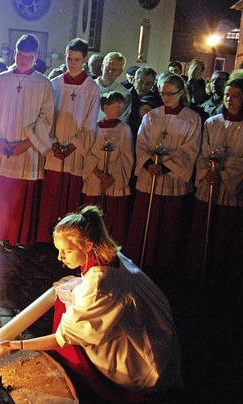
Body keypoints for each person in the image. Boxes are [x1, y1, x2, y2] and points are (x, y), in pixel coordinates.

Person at [0, 205, 182, 401]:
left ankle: (82, 383)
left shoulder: (99, 284)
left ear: (87, 245)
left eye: (67, 251)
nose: (59, 257)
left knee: (69, 319)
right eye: (59, 250)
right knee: (67, 295)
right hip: (163, 347)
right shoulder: (111, 255)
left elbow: (61, 339)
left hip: (145, 365)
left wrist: (15, 345)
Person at [0, 34, 53, 251]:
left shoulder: (44, 84)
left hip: (26, 150)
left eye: (29, 57)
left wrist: (27, 144)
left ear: (36, 57)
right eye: (21, 55)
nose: (24, 60)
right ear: (15, 53)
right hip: (1, 147)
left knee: (19, 197)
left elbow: (46, 118)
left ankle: (16, 237)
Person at [124, 74, 201, 281]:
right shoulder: (152, 116)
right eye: (163, 93)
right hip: (150, 176)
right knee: (145, 219)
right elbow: (141, 142)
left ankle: (164, 263)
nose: (166, 97)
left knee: (169, 222)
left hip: (172, 178)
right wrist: (149, 164)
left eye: (170, 93)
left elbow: (190, 148)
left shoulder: (191, 118)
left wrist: (166, 167)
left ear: (181, 93)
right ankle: (141, 258)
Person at [37, 37, 99, 244]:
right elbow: (46, 117)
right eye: (69, 58)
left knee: (70, 197)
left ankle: (69, 242)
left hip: (74, 151)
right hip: (54, 150)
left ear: (85, 59)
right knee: (50, 195)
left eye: (76, 59)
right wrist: (53, 143)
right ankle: (46, 238)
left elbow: (90, 123)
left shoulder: (92, 88)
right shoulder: (53, 85)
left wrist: (73, 145)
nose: (72, 63)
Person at [185, 79, 243, 284]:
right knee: (204, 229)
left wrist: (224, 175)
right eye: (227, 95)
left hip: (230, 187)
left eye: (235, 96)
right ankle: (198, 268)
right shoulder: (212, 122)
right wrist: (206, 172)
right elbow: (202, 152)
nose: (229, 99)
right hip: (209, 183)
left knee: (225, 232)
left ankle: (221, 274)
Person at [82, 92, 134, 245]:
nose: (120, 110)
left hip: (114, 179)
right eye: (117, 107)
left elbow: (127, 156)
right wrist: (99, 174)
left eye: (121, 107)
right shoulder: (95, 127)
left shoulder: (124, 129)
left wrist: (112, 177)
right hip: (95, 178)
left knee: (113, 216)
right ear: (105, 107)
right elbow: (88, 153)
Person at [94, 52, 131, 122]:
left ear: (120, 72)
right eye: (108, 68)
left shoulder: (124, 94)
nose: (110, 72)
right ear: (102, 67)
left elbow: (121, 120)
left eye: (114, 70)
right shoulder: (87, 87)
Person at [127, 66, 158, 139]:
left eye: (148, 84)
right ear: (134, 81)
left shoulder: (156, 101)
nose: (143, 87)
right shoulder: (125, 96)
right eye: (140, 82)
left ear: (153, 85)